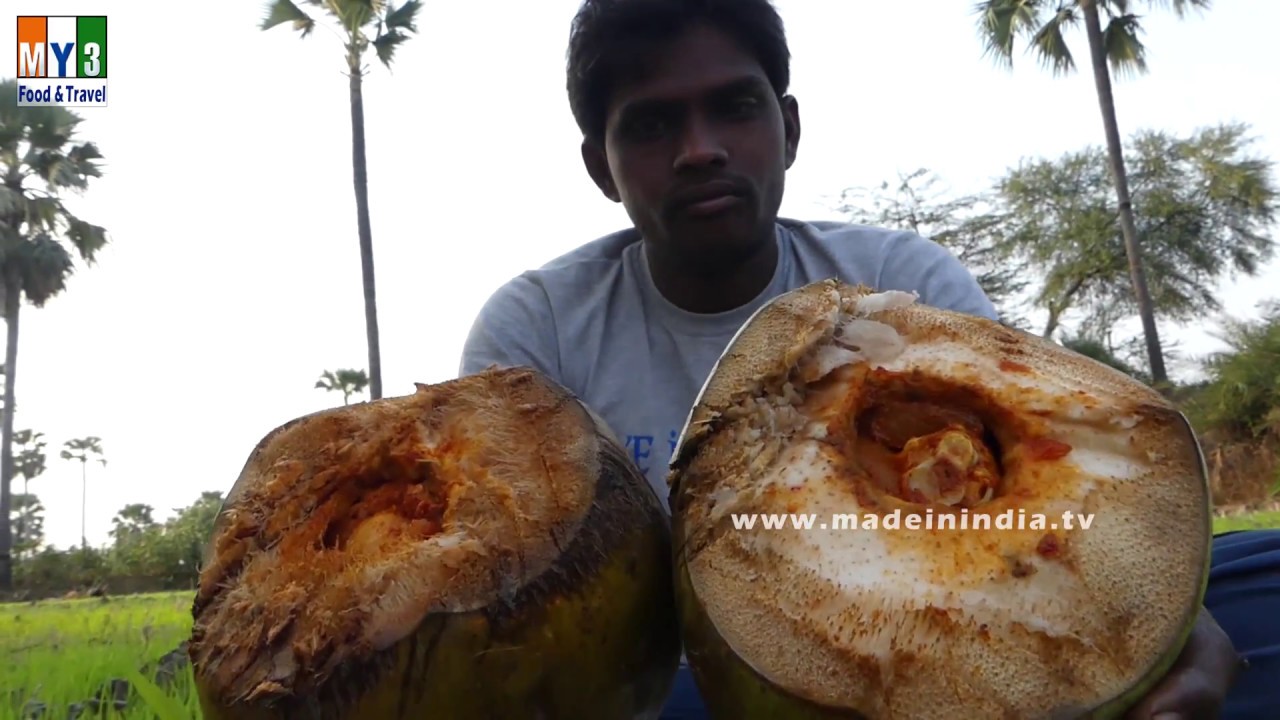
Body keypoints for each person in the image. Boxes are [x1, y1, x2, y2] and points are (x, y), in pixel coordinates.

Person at [458, 0, 1279, 717]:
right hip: (666, 674)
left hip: (961, 618)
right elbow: (511, 605)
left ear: (789, 128)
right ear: (601, 166)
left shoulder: (900, 282)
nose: (700, 149)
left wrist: (1167, 616)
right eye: (651, 123)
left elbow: (1058, 476)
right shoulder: (536, 329)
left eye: (734, 107)